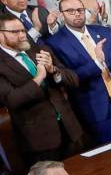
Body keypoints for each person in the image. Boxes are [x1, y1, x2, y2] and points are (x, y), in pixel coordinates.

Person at [46, 0, 111, 146]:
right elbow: (70, 78)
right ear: (61, 15)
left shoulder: (103, 31)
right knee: (109, 155)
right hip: (95, 110)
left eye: (80, 10)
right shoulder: (55, 43)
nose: (77, 14)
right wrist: (97, 62)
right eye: (70, 11)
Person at [0, 10, 84, 162]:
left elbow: (73, 80)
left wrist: (53, 70)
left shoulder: (39, 49)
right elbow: (12, 100)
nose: (22, 35)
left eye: (23, 30)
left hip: (70, 129)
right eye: (15, 32)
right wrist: (39, 77)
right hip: (40, 141)